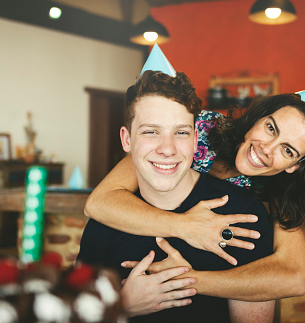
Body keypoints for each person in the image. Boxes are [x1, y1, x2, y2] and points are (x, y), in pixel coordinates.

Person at [84, 45, 305, 304]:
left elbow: (291, 277)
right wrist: (186, 227)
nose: (266, 149)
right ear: (257, 119)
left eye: (288, 151)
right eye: (270, 129)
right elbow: (100, 202)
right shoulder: (194, 128)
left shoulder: (283, 192)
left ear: (295, 165)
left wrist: (180, 281)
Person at [77, 70, 275, 322]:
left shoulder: (243, 213)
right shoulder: (107, 217)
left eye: (180, 133)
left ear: (195, 140)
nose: (167, 149)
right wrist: (122, 306)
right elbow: (77, 314)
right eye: (151, 132)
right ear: (127, 140)